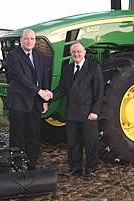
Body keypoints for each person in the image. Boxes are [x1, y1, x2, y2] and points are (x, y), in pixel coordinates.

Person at [44, 42, 104, 177]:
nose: (76, 54)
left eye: (79, 52)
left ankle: (91, 169)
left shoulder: (94, 68)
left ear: (84, 53)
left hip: (89, 113)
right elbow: (62, 89)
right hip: (72, 113)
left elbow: (99, 91)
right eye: (74, 52)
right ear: (71, 54)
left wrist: (95, 111)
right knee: (73, 143)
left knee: (90, 143)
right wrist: (51, 95)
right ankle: (75, 169)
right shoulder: (67, 69)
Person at [4, 29, 50, 170]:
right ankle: (16, 164)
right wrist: (39, 91)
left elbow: (44, 77)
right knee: (17, 136)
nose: (29, 41)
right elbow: (20, 78)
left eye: (32, 39)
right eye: (26, 39)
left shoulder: (39, 56)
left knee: (34, 136)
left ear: (35, 41)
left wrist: (45, 100)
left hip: (35, 103)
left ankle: (32, 164)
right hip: (19, 102)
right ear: (21, 40)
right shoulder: (13, 56)